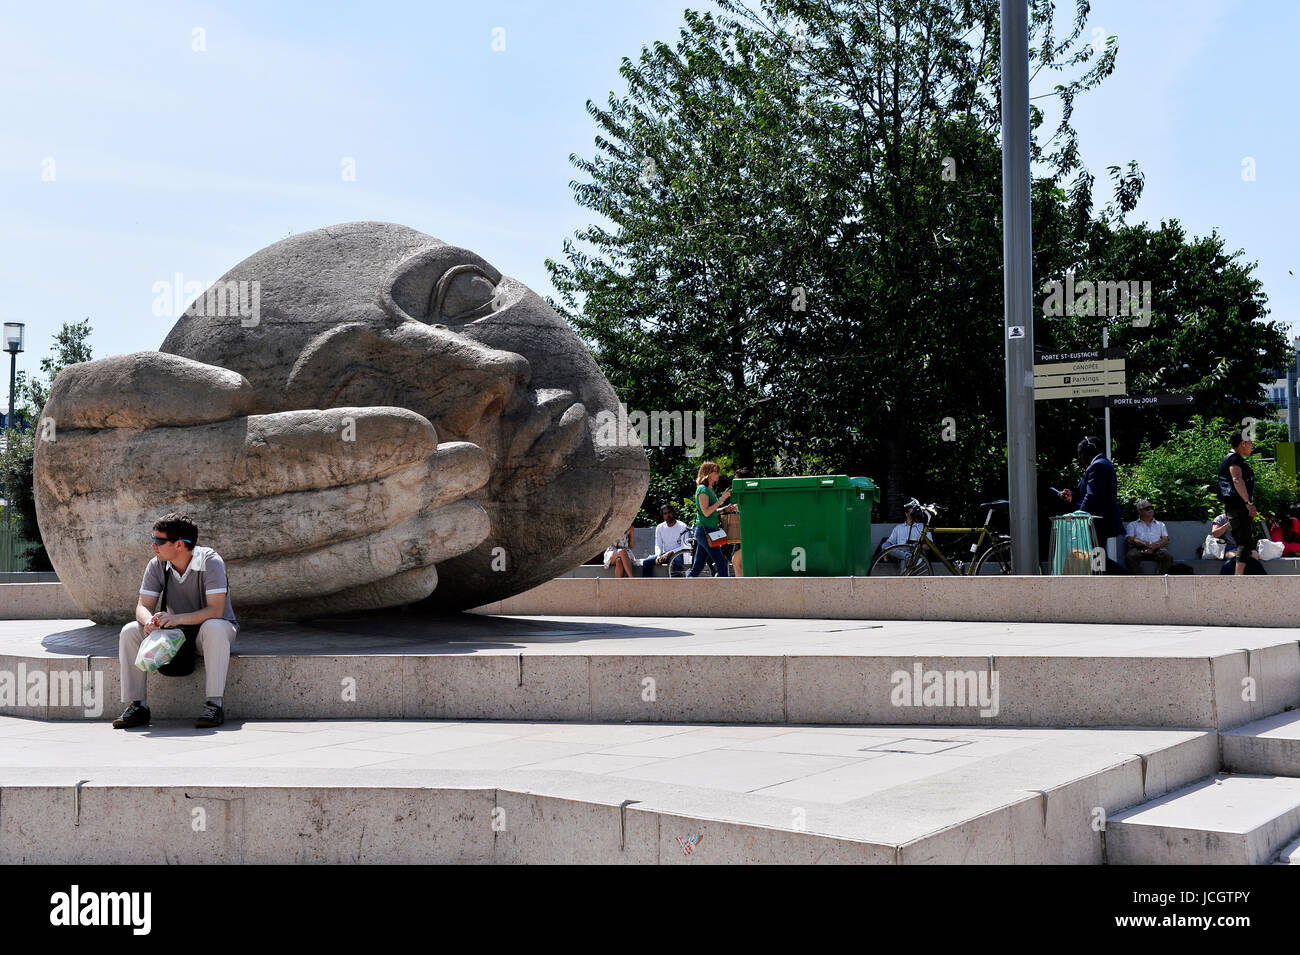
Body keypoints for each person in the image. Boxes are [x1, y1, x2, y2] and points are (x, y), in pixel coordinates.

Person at [113, 512, 238, 729]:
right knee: (130, 631)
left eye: (159, 541)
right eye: (153, 539)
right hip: (173, 633)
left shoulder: (210, 561)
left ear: (179, 544)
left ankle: (214, 704)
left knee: (214, 627)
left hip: (208, 633)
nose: (153, 546)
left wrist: (177, 618)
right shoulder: (157, 564)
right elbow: (142, 606)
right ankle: (138, 706)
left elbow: (216, 610)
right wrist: (150, 620)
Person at [1057, 436, 1125, 573]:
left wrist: (1079, 517)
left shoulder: (1098, 465)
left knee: (1095, 556)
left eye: (1081, 454)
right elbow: (1091, 494)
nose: (1080, 458)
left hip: (1097, 522)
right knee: (1096, 556)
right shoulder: (1102, 464)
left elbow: (1092, 496)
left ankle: (1128, 578)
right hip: (1099, 521)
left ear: (1089, 451)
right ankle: (1101, 583)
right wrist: (1073, 498)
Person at [1217, 431, 1257, 576]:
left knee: (1245, 542)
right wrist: (1248, 502)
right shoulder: (1235, 458)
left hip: (1234, 506)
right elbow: (1237, 479)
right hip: (1238, 506)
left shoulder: (1232, 458)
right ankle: (1238, 577)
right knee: (1244, 542)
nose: (1252, 446)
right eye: (1250, 443)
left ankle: (1239, 575)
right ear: (1243, 443)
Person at [687, 461, 734, 578]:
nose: (719, 474)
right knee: (722, 562)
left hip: (708, 530)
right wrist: (722, 499)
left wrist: (725, 509)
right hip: (705, 531)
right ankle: (725, 592)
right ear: (708, 473)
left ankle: (682, 590)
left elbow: (712, 511)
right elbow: (706, 512)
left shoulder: (710, 489)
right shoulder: (702, 489)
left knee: (698, 567)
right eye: (716, 472)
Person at [1124, 501, 1174, 574]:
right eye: (1147, 508)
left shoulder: (1160, 524)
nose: (1150, 510)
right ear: (1140, 511)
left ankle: (1159, 579)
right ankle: (1140, 580)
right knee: (1130, 557)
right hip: (1139, 548)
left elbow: (1165, 539)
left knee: (1168, 557)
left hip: (1157, 548)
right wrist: (1146, 544)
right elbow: (1130, 539)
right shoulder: (1132, 525)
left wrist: (1155, 546)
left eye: (1151, 508)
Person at [643, 504, 692, 577]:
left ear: (673, 513)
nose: (668, 515)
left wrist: (671, 552)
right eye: (665, 513)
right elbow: (658, 544)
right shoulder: (660, 527)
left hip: (678, 554)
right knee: (646, 562)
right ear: (662, 515)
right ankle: (647, 586)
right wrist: (658, 556)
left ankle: (674, 585)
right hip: (664, 555)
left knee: (677, 561)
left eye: (669, 512)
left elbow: (685, 546)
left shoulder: (682, 526)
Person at [729, 468, 753, 577]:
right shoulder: (745, 494)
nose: (734, 482)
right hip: (742, 533)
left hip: (747, 533)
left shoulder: (749, 495)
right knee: (736, 561)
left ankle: (743, 589)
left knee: (736, 561)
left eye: (737, 479)